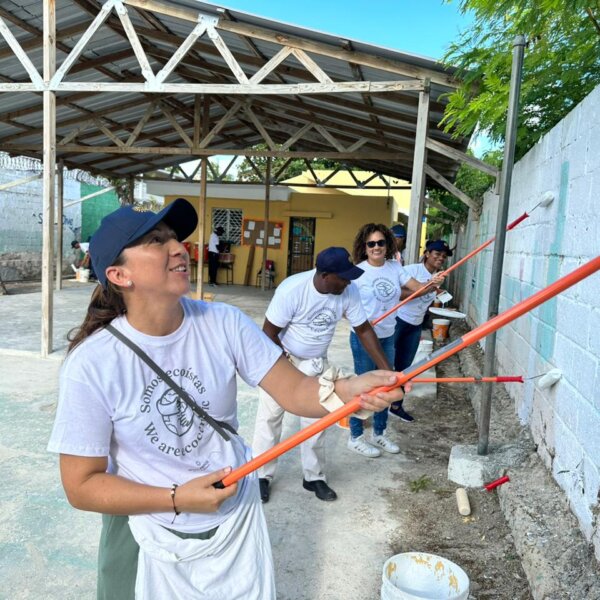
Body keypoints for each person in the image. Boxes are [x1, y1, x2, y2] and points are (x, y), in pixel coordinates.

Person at [47, 199, 404, 599]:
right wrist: (177, 498)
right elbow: (81, 485)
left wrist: (348, 389)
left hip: (232, 512)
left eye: (174, 238)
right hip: (145, 526)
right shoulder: (93, 362)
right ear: (119, 274)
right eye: (155, 241)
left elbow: (295, 390)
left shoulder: (224, 323)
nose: (179, 247)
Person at [252, 247, 392, 503]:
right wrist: (285, 373)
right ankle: (261, 475)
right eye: (343, 277)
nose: (349, 281)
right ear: (325, 275)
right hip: (282, 360)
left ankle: (314, 477)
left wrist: (387, 370)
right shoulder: (293, 289)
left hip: (317, 364)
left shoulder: (348, 291)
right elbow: (269, 333)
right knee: (270, 418)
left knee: (316, 422)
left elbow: (363, 330)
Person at [347, 223, 444, 458]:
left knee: (388, 384)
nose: (376, 247)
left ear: (387, 244)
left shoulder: (394, 268)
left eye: (381, 242)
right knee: (363, 386)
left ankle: (379, 433)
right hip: (363, 337)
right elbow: (345, 304)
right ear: (365, 246)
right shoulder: (357, 272)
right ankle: (356, 436)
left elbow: (417, 289)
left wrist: (433, 283)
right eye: (371, 243)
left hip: (388, 335)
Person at [390, 239, 452, 419]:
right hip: (398, 322)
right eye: (437, 254)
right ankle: (378, 403)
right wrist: (429, 287)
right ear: (427, 254)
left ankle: (396, 406)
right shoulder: (411, 271)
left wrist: (439, 295)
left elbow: (429, 299)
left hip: (415, 326)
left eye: (443, 256)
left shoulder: (439, 276)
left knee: (405, 368)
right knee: (387, 364)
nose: (441, 258)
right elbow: (400, 294)